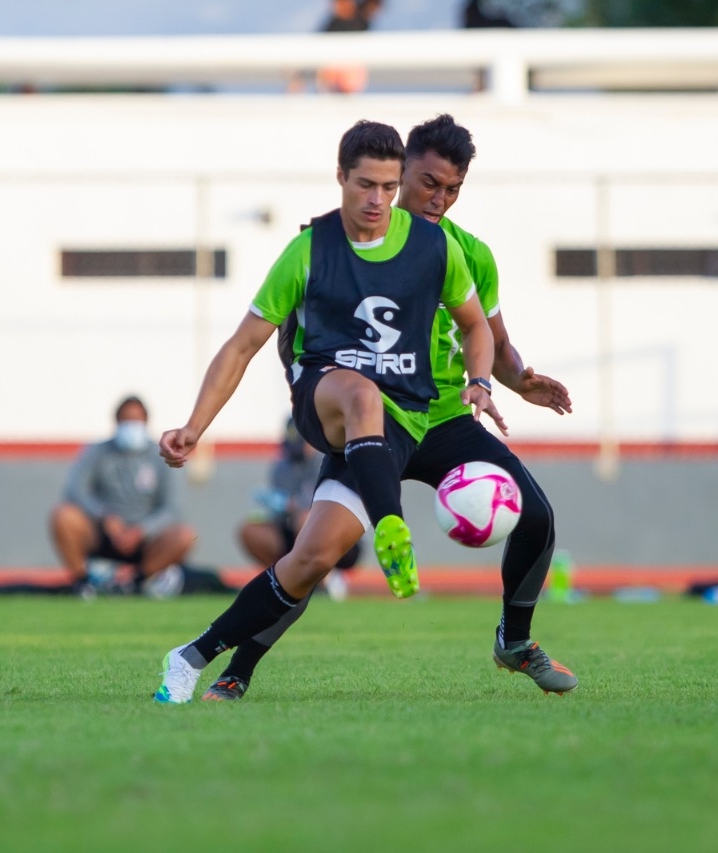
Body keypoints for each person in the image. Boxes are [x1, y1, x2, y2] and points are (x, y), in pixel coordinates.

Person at [200, 114, 578, 701]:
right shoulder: (340, 242)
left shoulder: (467, 254)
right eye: (429, 182)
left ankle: (515, 639)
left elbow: (492, 340)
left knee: (538, 515)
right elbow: (293, 332)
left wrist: (516, 379)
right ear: (400, 174)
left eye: (453, 189)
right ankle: (238, 666)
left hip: (446, 416)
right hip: (373, 420)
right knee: (315, 555)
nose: (439, 199)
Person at [153, 119, 500, 704]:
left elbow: (475, 327)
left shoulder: (434, 247)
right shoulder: (309, 251)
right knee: (362, 393)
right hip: (327, 398)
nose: (377, 200)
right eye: (365, 185)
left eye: (389, 188)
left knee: (311, 559)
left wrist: (482, 380)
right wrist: (194, 427)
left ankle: (192, 657)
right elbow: (241, 346)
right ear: (340, 177)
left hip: (403, 424)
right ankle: (393, 526)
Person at [49, 395, 197, 596]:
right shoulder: (97, 452)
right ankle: (83, 584)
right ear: (117, 422)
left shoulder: (160, 455)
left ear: (146, 421)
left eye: (136, 420)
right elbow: (76, 491)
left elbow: (172, 508)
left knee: (184, 535)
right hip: (103, 534)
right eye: (127, 419)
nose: (132, 425)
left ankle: (137, 581)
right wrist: (104, 517)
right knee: (63, 516)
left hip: (146, 540)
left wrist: (142, 530)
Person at [236, 417, 359, 600]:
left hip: (331, 532)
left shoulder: (327, 459)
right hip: (290, 530)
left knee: (306, 519)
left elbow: (323, 505)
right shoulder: (281, 467)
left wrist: (292, 505)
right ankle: (284, 580)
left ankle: (325, 578)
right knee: (250, 530)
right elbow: (281, 511)